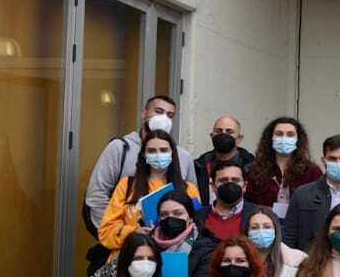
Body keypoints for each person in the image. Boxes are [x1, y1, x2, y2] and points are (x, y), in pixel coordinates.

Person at [83, 93, 195, 238]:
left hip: (173, 248)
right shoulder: (121, 148)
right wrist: (117, 235)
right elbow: (97, 196)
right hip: (126, 244)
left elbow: (193, 209)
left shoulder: (184, 157)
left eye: (170, 115)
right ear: (144, 113)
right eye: (159, 111)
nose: (163, 118)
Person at [97, 130, 201, 250]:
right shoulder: (127, 185)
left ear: (173, 154)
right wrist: (133, 232)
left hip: (176, 257)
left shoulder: (189, 189)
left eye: (163, 150)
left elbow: (197, 228)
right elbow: (105, 231)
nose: (158, 155)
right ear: (144, 155)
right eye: (151, 151)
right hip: (132, 256)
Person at [244, 116, 321, 222]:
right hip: (264, 227)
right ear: (271, 138)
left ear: (298, 139)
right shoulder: (255, 170)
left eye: (290, 135)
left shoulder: (312, 171)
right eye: (279, 134)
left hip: (300, 228)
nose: (284, 138)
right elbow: (247, 204)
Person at [197, 160, 266, 243]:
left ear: (245, 186)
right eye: (223, 180)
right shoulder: (198, 217)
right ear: (213, 186)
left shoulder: (260, 214)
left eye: (235, 180)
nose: (230, 184)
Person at [246, 207, 304, 277]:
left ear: (276, 230)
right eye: (254, 228)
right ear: (247, 232)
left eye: (267, 227)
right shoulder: (238, 261)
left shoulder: (298, 261)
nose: (261, 231)